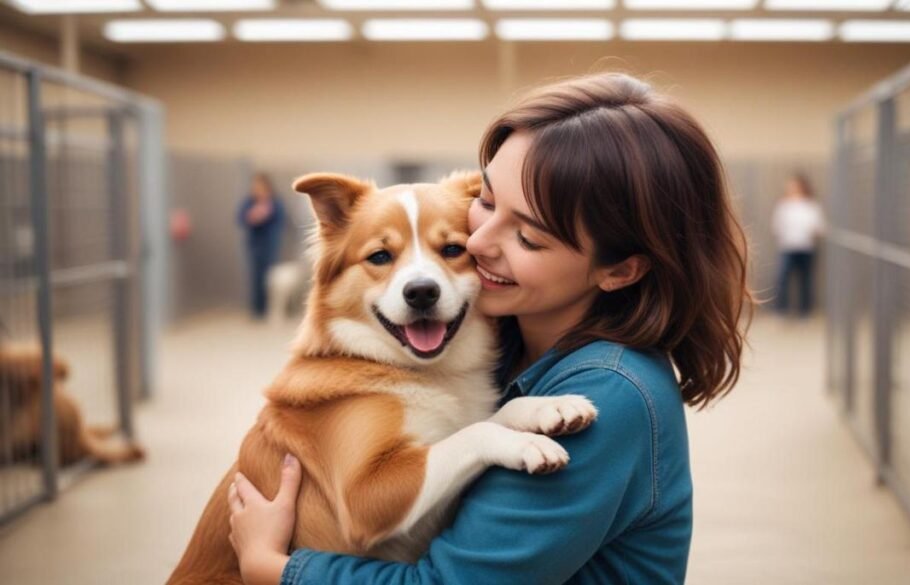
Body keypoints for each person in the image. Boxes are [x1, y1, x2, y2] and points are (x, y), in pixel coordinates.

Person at [225, 73, 753, 585]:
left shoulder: (607, 395)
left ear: (619, 269)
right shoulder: (497, 344)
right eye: (488, 202)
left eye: (528, 237)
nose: (476, 244)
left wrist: (276, 569)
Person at [771, 174, 824, 318]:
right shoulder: (783, 206)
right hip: (787, 248)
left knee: (805, 281)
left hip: (806, 248)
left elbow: (819, 228)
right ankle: (781, 311)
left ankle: (805, 312)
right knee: (782, 279)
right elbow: (776, 227)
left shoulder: (811, 206)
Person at [237, 172, 286, 320]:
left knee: (270, 278)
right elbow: (240, 218)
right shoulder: (249, 202)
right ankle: (257, 309)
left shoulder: (275, 203)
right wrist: (252, 217)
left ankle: (269, 309)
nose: (257, 189)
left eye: (260, 186)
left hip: (270, 244)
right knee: (256, 277)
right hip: (254, 245)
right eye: (255, 186)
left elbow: (281, 221)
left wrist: (266, 216)